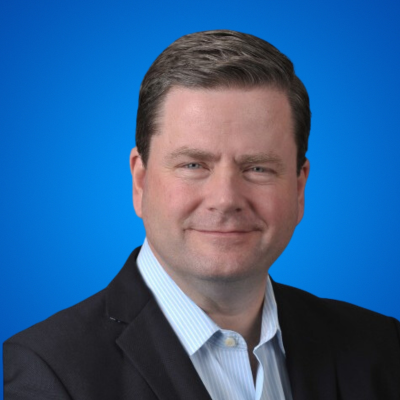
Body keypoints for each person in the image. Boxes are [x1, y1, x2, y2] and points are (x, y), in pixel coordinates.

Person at [3, 30, 400, 400]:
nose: (225, 199)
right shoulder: (48, 372)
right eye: (193, 165)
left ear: (299, 188)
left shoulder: (383, 348)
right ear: (140, 181)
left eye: (258, 168)